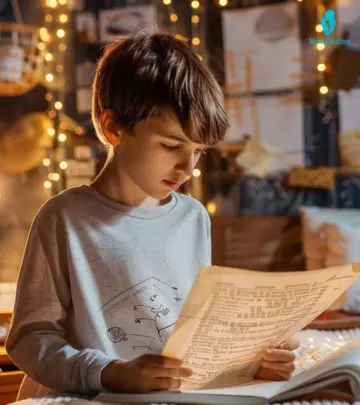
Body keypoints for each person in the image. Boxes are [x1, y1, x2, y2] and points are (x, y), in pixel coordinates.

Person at [5, 31, 299, 399]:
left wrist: (253, 362)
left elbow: (187, 333)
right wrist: (110, 373)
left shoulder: (194, 217)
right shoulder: (63, 218)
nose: (186, 167)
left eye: (198, 152)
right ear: (113, 128)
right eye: (171, 145)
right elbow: (29, 339)